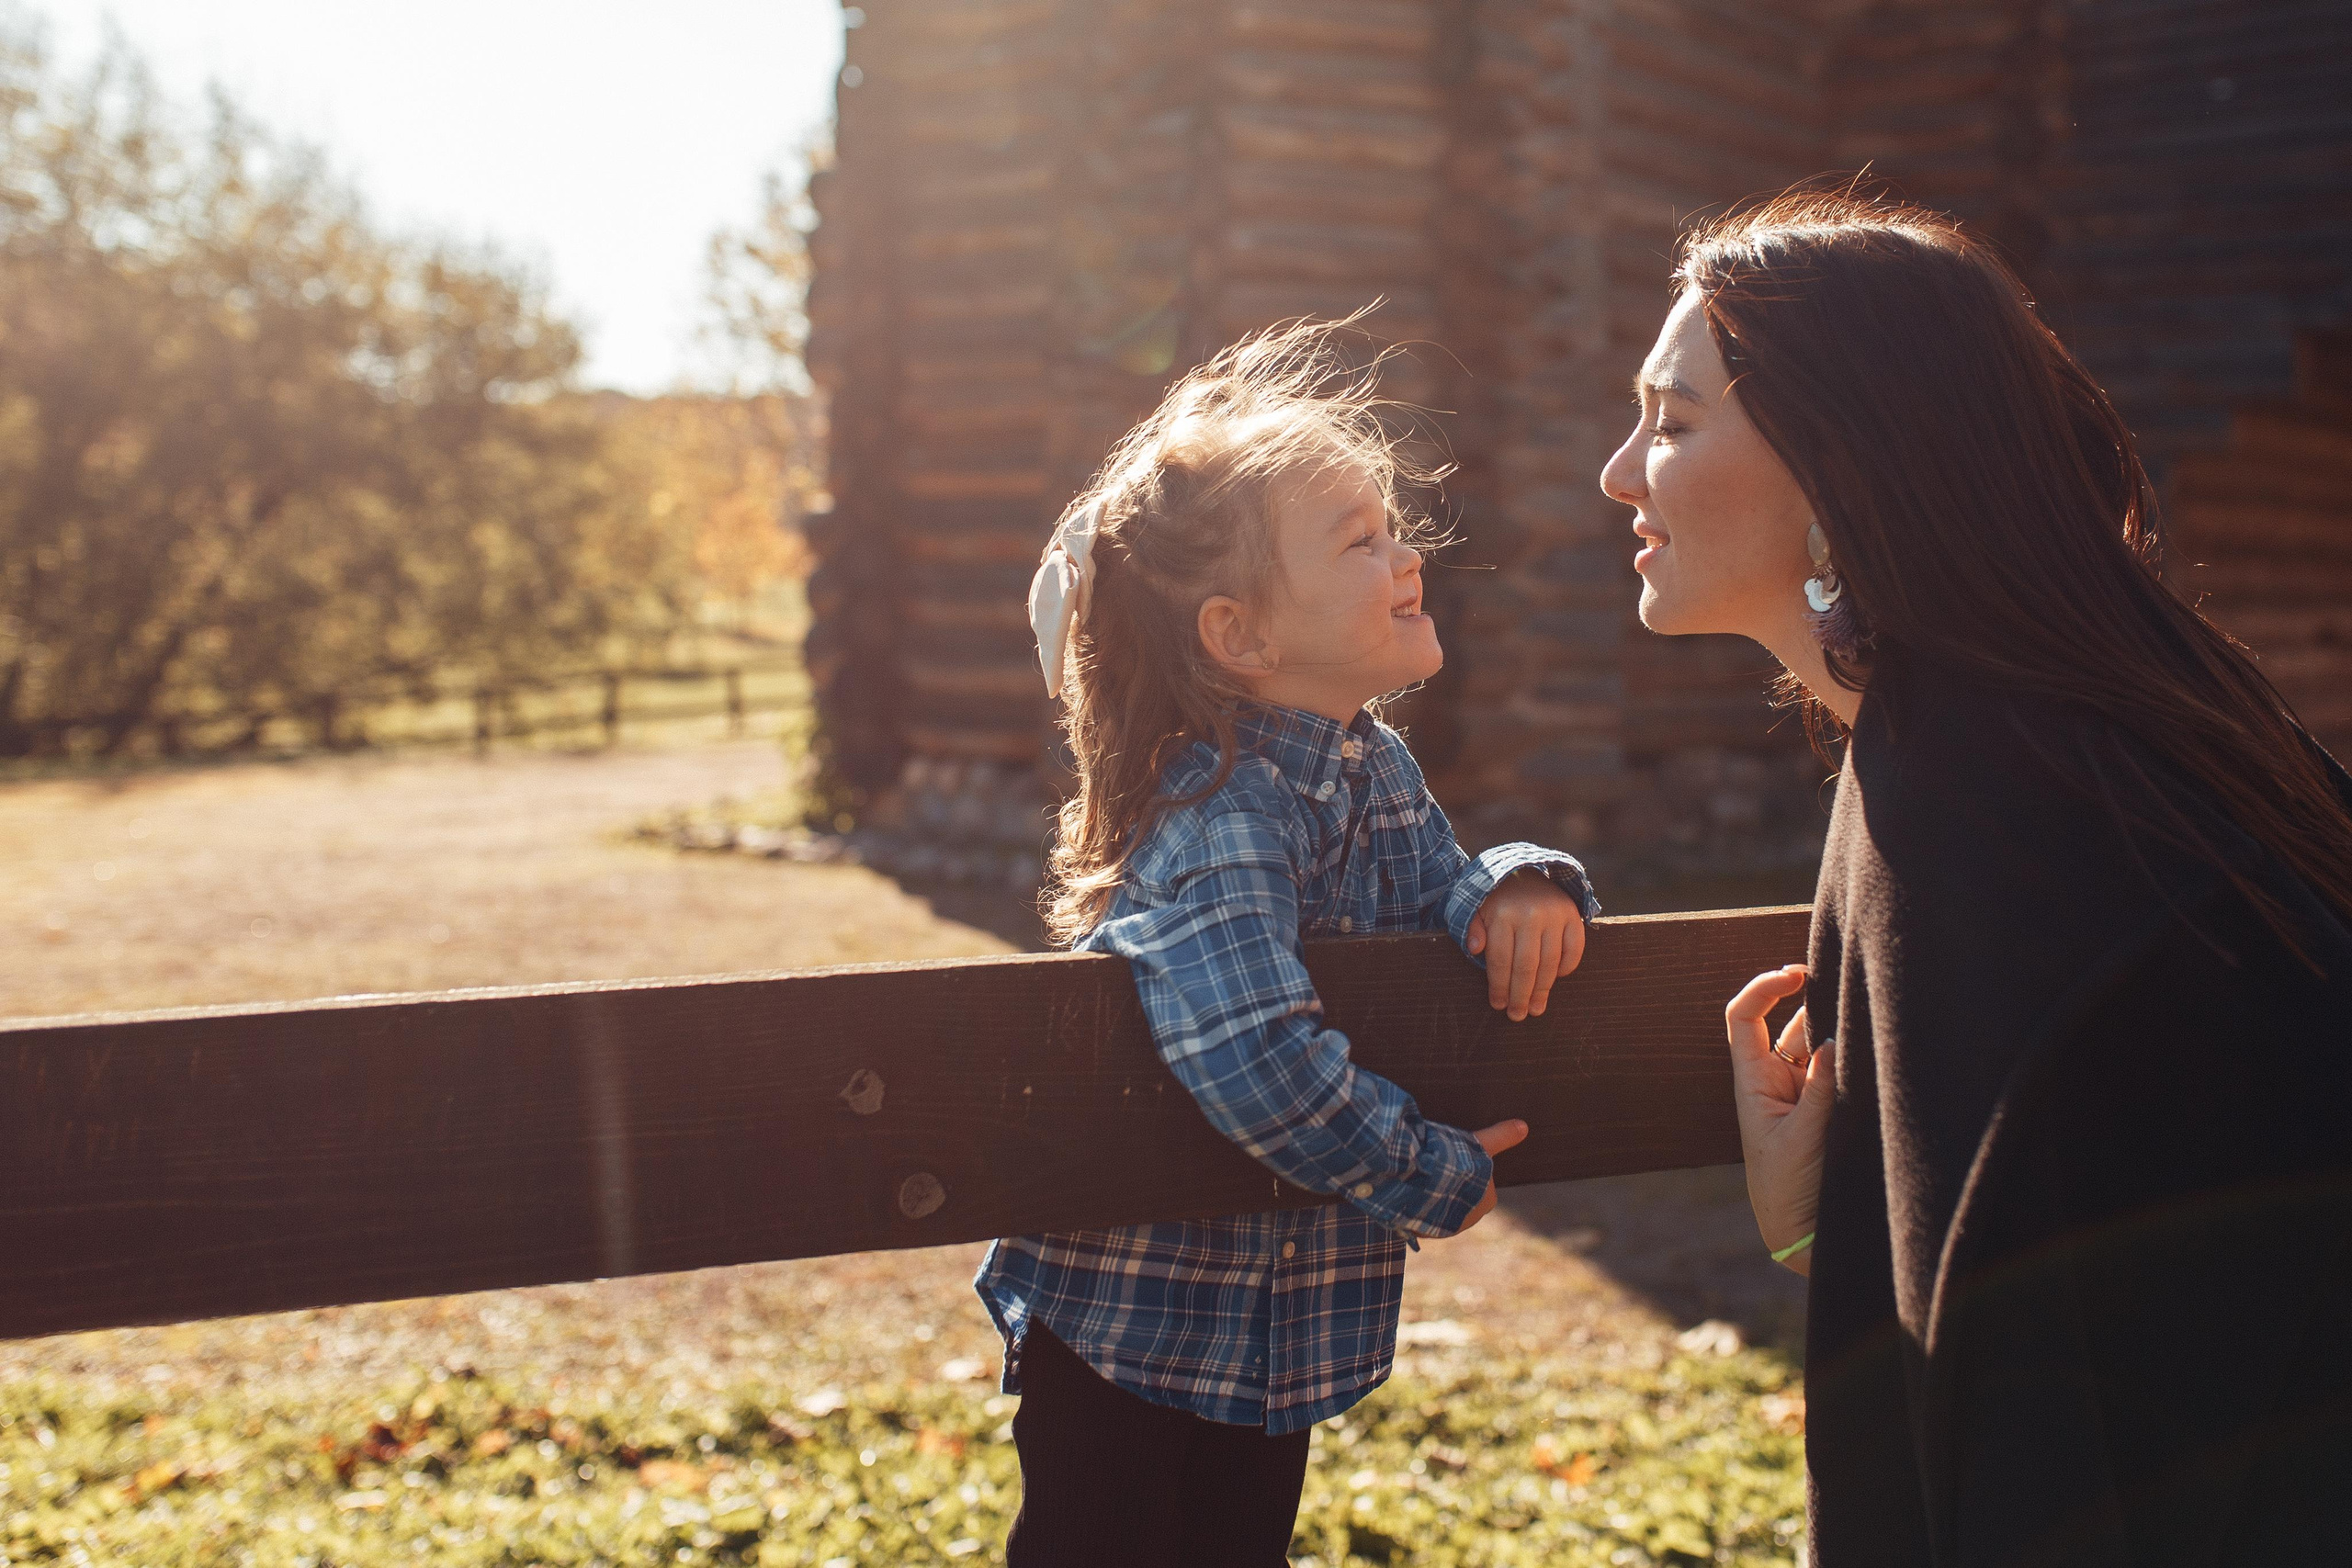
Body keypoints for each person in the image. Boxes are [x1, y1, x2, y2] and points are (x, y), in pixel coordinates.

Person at [1601, 183, 2352, 1564]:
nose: (1620, 471)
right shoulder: (2058, 725)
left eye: (1674, 419)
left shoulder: (1979, 809)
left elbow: (2053, 1423)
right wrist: (1816, 1225)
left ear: (1840, 464)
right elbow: (2086, 1301)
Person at [979, 321, 1600, 1566]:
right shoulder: (1220, 807)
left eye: (1392, 527)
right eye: (1360, 542)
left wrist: (1516, 886)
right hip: (1135, 1332)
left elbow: (1441, 888)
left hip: (1271, 1324)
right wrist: (1428, 1172)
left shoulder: (1372, 767)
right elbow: (1254, 1052)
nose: (1406, 556)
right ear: (1241, 637)